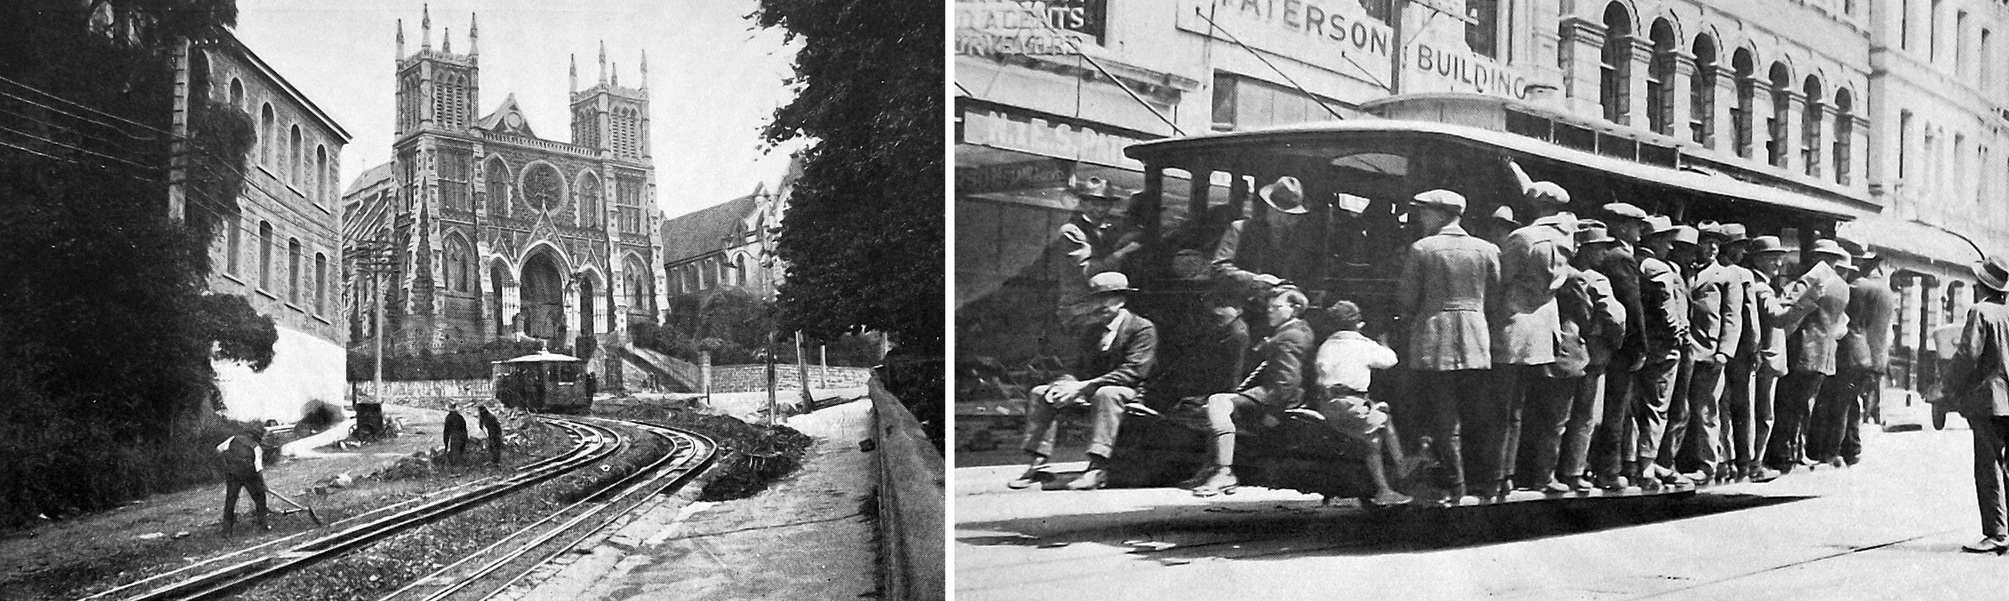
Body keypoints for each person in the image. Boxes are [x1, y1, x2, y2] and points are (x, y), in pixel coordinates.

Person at [1396, 189, 1499, 505]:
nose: (1421, 217)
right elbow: (1495, 299)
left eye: (1424, 211)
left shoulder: (1422, 249)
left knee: (1443, 416)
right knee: (1475, 413)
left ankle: (1455, 485)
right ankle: (1487, 482)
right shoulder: (1487, 249)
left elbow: (1407, 299)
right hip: (1477, 341)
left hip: (1434, 339)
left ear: (1441, 214)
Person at [1009, 272, 1158, 491]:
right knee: (1041, 392)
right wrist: (1064, 384)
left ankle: (1097, 467)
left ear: (1122, 300)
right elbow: (1075, 367)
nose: (1099, 305)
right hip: (1090, 389)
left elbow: (1133, 372)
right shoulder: (1092, 331)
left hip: (1130, 392)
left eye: (1106, 298)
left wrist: (1081, 387)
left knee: (1106, 393)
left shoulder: (1142, 328)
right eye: (1095, 299)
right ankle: (1037, 464)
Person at [1492, 177, 1577, 496]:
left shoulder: (1522, 238)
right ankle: (1533, 475)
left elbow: (1501, 279)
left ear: (1535, 205)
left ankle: (1500, 476)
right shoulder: (1566, 237)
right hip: (1544, 334)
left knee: (1505, 410)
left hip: (1514, 328)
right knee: (1535, 410)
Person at [1190, 288, 1316, 497]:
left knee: (1218, 403)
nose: (1269, 311)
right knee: (1218, 405)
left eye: (1276, 307)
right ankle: (1212, 468)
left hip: (1278, 397)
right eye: (1269, 307)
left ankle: (1223, 472)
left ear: (1294, 309)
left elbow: (1286, 382)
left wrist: (1274, 412)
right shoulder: (1297, 330)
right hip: (1276, 393)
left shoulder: (1289, 337)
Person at [1307, 300, 1412, 506]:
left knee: (1377, 428)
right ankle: (1398, 472)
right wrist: (1384, 343)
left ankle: (1388, 483)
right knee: (1381, 425)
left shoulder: (1326, 346)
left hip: (1329, 404)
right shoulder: (1362, 345)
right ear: (1358, 324)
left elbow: (1321, 373)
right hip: (1350, 404)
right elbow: (1390, 360)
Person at [1764, 239, 1853, 475]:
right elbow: (1841, 325)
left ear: (1818, 257)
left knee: (1789, 404)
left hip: (1803, 349)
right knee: (1805, 404)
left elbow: (1791, 309)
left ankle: (1785, 455)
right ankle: (1799, 451)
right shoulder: (1842, 286)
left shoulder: (1814, 279)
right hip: (1825, 353)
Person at [1945, 255, 2009, 554]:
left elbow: (1968, 355)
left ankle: (1996, 532)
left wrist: (1948, 387)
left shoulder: (1980, 312)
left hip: (1989, 400)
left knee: (1988, 464)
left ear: (1982, 285)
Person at [1557, 221, 1627, 491]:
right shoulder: (1596, 279)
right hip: (1594, 353)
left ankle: (1557, 471)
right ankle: (1575, 471)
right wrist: (1614, 341)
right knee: (1585, 415)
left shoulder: (1564, 272)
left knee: (1560, 416)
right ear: (1587, 249)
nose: (1604, 253)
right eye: (1600, 248)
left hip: (1564, 351)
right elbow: (1614, 316)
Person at [1589, 203, 1650, 491]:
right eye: (1637, 225)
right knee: (1616, 409)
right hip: (1622, 344)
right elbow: (1632, 306)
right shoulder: (1621, 258)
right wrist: (1640, 346)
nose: (1640, 231)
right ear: (1623, 226)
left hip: (1606, 341)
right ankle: (1609, 471)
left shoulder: (1609, 255)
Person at [1678, 223, 1744, 483]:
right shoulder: (1685, 270)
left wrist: (1725, 352)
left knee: (1706, 410)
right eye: (1707, 242)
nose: (1713, 247)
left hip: (1710, 352)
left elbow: (1732, 317)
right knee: (1681, 408)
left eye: (1717, 243)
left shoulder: (1727, 275)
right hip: (1685, 350)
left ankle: (1707, 466)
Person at [1632, 217, 1693, 490]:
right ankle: (1647, 467)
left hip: (1643, 346)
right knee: (1658, 407)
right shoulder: (1657, 267)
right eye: (1667, 241)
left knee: (1639, 406)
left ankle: (1638, 462)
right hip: (1663, 348)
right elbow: (1665, 303)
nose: (1670, 247)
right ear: (1655, 240)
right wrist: (1677, 332)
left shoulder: (1636, 261)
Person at [1212, 175, 1326, 288]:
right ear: (1269, 208)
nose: (1286, 220)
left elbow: (1309, 277)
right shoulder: (1240, 229)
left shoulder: (1300, 240)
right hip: (1244, 296)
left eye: (1293, 216)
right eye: (1280, 213)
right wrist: (1255, 280)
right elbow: (1218, 267)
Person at [1744, 235, 1792, 482]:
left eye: (1780, 258)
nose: (1779, 263)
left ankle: (1751, 461)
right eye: (1773, 258)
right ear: (1758, 259)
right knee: (1763, 415)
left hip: (1760, 359)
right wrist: (1806, 302)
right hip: (1766, 360)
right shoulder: (1762, 288)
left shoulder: (1757, 284)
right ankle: (1755, 463)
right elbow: (1778, 318)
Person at [216, 428, 270, 536]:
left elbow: (218, 449)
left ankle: (227, 531)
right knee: (260, 497)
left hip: (232, 473)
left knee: (230, 501)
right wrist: (263, 484)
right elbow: (258, 468)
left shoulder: (233, 438)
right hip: (249, 474)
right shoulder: (256, 447)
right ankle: (263, 525)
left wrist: (227, 463)